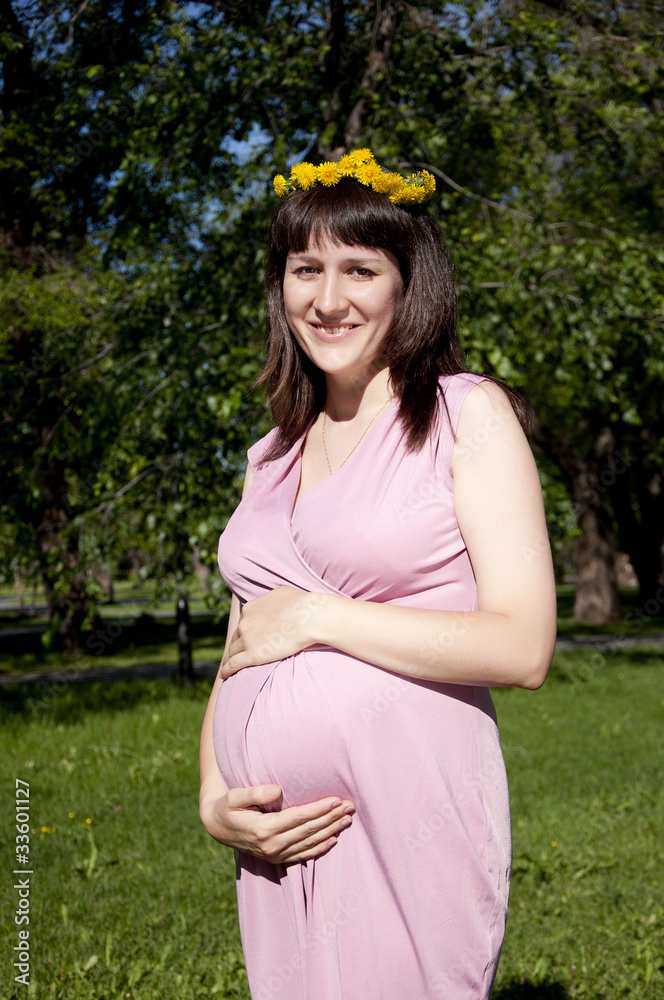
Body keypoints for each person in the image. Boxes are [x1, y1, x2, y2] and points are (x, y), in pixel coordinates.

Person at [199, 148, 557, 1000]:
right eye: (304, 269)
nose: (327, 300)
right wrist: (215, 800)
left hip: (408, 815)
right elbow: (247, 639)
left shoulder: (465, 416)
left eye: (359, 269)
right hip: (277, 838)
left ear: (408, 282)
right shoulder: (274, 454)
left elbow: (524, 646)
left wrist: (321, 617)